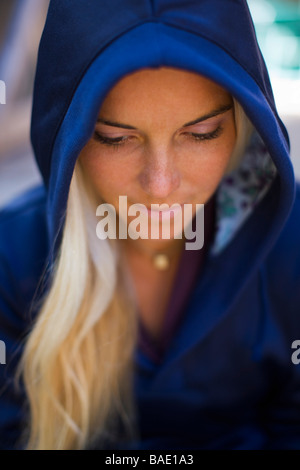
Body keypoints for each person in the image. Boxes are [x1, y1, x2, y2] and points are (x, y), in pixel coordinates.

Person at [0, 0, 299, 451]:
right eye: (116, 139)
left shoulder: (291, 246)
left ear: (244, 124)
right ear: (68, 138)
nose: (160, 186)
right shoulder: (11, 259)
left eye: (201, 134)